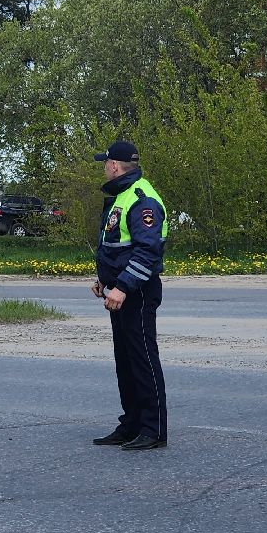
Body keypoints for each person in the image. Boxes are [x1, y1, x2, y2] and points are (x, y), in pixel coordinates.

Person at [90, 140, 168, 451]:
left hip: (137, 291)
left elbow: (147, 251)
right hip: (119, 291)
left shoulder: (142, 198)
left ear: (115, 166)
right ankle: (131, 424)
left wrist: (122, 287)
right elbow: (115, 247)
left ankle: (154, 429)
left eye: (105, 163)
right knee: (125, 362)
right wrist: (103, 280)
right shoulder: (121, 195)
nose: (104, 167)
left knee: (143, 359)